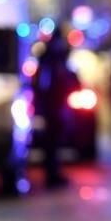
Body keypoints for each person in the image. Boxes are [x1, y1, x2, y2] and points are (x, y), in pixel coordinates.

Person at [31, 28, 74, 189]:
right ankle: (52, 173)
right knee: (52, 142)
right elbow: (48, 84)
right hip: (54, 107)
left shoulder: (49, 56)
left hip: (54, 106)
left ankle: (52, 172)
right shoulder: (54, 57)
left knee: (53, 142)